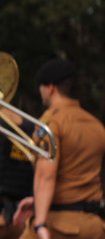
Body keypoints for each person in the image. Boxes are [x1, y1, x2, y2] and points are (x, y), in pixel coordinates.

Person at [12, 58, 105, 239]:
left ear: (51, 87)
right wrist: (37, 201)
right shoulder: (96, 125)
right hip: (95, 226)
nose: (40, 91)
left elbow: (46, 175)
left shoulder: (50, 124)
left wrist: (40, 222)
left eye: (42, 86)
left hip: (59, 226)